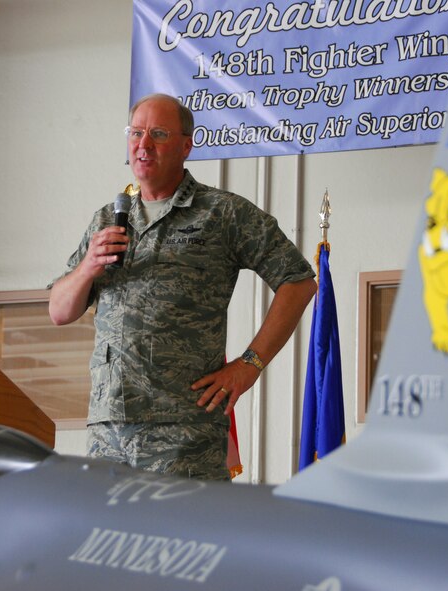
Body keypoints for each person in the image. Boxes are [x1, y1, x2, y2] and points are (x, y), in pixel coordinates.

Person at [48, 93, 317, 481]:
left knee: (183, 540)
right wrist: (88, 266)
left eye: (158, 133)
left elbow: (299, 282)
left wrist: (249, 365)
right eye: (136, 133)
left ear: (186, 145)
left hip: (183, 434)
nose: (143, 144)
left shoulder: (222, 212)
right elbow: (59, 311)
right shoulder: (107, 219)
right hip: (109, 435)